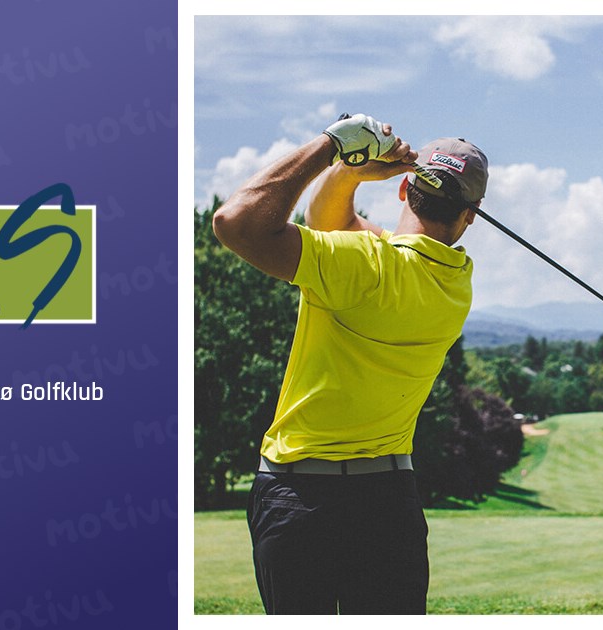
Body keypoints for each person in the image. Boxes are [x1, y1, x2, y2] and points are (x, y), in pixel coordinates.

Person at [213, 113, 489, 615]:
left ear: (405, 188)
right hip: (389, 502)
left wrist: (336, 147)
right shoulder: (455, 285)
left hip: (297, 494)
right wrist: (349, 173)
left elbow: (235, 223)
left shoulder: (361, 263)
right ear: (469, 215)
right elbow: (333, 224)